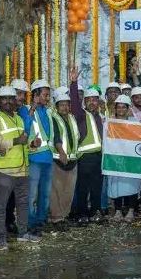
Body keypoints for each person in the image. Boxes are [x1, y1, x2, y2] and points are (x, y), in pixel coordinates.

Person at [0, 86, 38, 251]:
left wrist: (32, 144)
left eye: (11, 98)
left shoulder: (19, 118)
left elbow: (25, 142)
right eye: (5, 99)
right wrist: (17, 141)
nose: (9, 102)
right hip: (5, 171)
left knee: (22, 203)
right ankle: (0, 237)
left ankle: (23, 232)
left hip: (22, 170)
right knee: (1, 206)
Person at [70, 66, 105, 223]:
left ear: (98, 101)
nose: (91, 102)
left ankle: (95, 212)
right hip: (84, 158)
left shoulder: (102, 117)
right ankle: (82, 214)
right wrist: (73, 83)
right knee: (82, 188)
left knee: (96, 187)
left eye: (94, 100)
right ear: (85, 102)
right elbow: (74, 103)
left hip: (99, 157)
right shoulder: (81, 115)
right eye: (88, 100)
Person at [106, 95, 141, 222]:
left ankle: (131, 211)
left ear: (128, 108)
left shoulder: (134, 122)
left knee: (131, 184)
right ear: (115, 109)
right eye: (119, 107)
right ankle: (117, 211)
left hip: (131, 160)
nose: (121, 109)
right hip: (116, 160)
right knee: (116, 184)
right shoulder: (110, 123)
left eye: (123, 107)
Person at [26, 79, 55, 235]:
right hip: (34, 159)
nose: (47, 98)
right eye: (45, 95)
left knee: (45, 194)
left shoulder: (49, 111)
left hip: (48, 159)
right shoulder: (26, 109)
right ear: (36, 94)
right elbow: (23, 127)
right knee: (32, 195)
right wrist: (32, 108)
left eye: (48, 95)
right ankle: (30, 224)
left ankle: (41, 221)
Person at [49, 90, 80, 228]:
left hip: (72, 160)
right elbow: (56, 136)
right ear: (56, 106)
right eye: (61, 105)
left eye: (67, 105)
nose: (65, 108)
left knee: (69, 191)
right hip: (59, 159)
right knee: (57, 190)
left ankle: (64, 215)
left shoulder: (72, 118)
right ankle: (56, 217)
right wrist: (61, 152)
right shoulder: (53, 118)